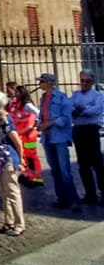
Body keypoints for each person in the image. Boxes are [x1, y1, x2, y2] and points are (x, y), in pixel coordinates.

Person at [37, 73, 81, 213]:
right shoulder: (43, 98)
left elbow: (66, 118)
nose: (40, 84)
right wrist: (40, 124)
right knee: (54, 169)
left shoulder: (61, 97)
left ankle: (73, 200)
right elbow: (41, 115)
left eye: (42, 81)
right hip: (47, 137)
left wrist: (50, 124)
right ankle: (61, 197)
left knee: (64, 170)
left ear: (49, 83)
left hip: (59, 137)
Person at [0, 90, 26, 236]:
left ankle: (19, 223)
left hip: (7, 157)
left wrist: (21, 159)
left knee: (12, 191)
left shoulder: (5, 119)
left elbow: (16, 139)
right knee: (3, 192)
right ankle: (8, 221)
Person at [71, 69, 104, 204]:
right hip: (79, 130)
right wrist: (81, 110)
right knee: (83, 164)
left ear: (92, 82)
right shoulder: (75, 94)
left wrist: (81, 110)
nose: (84, 83)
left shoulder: (98, 96)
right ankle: (90, 193)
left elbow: (95, 111)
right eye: (82, 80)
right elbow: (69, 108)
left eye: (87, 81)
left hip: (91, 130)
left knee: (97, 162)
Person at [9, 85, 43, 187]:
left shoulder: (27, 105)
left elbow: (38, 113)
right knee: (25, 157)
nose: (15, 94)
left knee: (31, 157)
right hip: (22, 134)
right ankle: (29, 177)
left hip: (29, 135)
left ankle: (37, 180)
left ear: (22, 93)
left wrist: (36, 125)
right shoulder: (16, 103)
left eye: (17, 92)